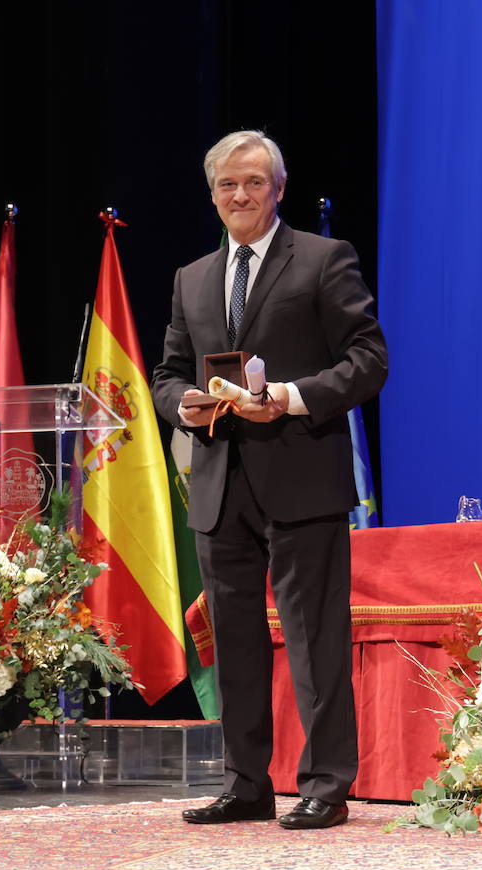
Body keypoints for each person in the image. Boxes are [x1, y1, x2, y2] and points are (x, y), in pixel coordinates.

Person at [151, 130, 388, 830]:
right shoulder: (191, 277)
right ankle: (245, 783)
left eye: (254, 182)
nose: (240, 195)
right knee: (236, 642)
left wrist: (287, 396)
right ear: (213, 194)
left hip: (302, 477)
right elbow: (167, 374)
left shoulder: (322, 258)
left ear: (277, 189)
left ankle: (325, 784)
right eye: (227, 184)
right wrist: (183, 406)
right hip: (218, 481)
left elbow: (369, 360)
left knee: (315, 638)